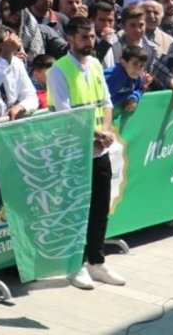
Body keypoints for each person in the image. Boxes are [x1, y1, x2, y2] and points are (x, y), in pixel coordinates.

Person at [48, 16, 125, 290]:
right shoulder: (59, 70)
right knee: (76, 209)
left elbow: (105, 102)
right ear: (70, 38)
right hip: (74, 150)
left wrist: (104, 132)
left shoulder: (94, 64)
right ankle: (74, 264)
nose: (90, 41)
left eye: (92, 36)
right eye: (84, 37)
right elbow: (65, 111)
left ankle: (96, 260)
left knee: (100, 208)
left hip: (98, 149)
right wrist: (95, 136)